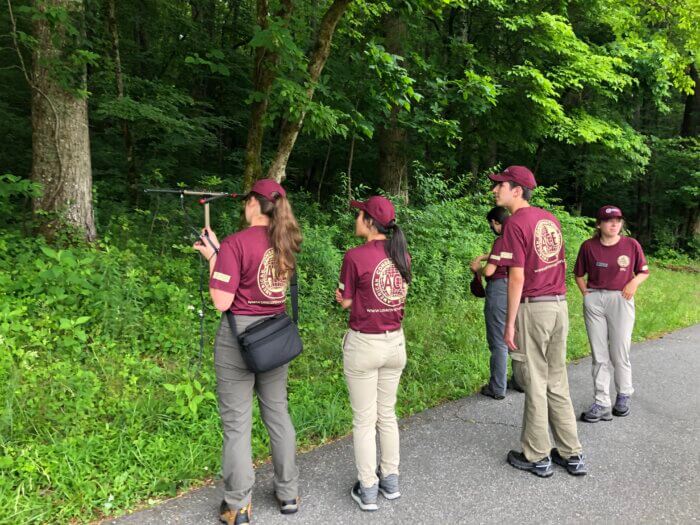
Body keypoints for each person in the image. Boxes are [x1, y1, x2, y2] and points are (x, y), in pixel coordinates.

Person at [193, 179, 302, 525]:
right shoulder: (285, 242)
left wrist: (214, 255)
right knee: (278, 414)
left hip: (239, 337)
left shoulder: (236, 243)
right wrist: (217, 253)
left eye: (246, 202)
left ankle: (238, 505)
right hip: (274, 335)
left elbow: (221, 300)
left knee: (237, 424)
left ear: (255, 204)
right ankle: (288, 493)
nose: (244, 206)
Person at [489, 165, 587, 478]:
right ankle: (571, 453)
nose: (495, 190)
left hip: (534, 307)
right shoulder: (550, 220)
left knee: (533, 380)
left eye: (500, 185)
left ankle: (536, 455)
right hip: (559, 305)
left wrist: (509, 322)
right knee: (557, 380)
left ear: (516, 190)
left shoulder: (515, 224)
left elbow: (516, 276)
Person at [335, 196, 411, 511]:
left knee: (364, 420)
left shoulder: (355, 257)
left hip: (365, 345)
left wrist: (344, 295)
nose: (355, 220)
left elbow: (346, 302)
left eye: (359, 215)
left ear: (369, 222)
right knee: (387, 414)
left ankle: (368, 488)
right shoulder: (402, 255)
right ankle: (390, 481)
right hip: (395, 344)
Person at [574, 205, 650, 423]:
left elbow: (644, 271)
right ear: (599, 224)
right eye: (609, 221)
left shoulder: (631, 244)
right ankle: (601, 401)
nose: (614, 224)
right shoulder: (588, 246)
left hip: (621, 299)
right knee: (599, 354)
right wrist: (586, 294)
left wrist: (634, 282)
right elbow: (579, 274)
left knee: (619, 351)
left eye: (618, 220)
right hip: (595, 299)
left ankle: (624, 394)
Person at [470, 206, 524, 400]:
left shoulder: (501, 239)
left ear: (495, 222)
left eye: (491, 224)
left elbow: (490, 271)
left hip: (499, 289)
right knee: (515, 337)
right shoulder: (517, 237)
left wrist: (478, 268)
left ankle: (497, 387)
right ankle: (520, 381)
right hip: (518, 288)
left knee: (499, 340)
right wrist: (487, 255)